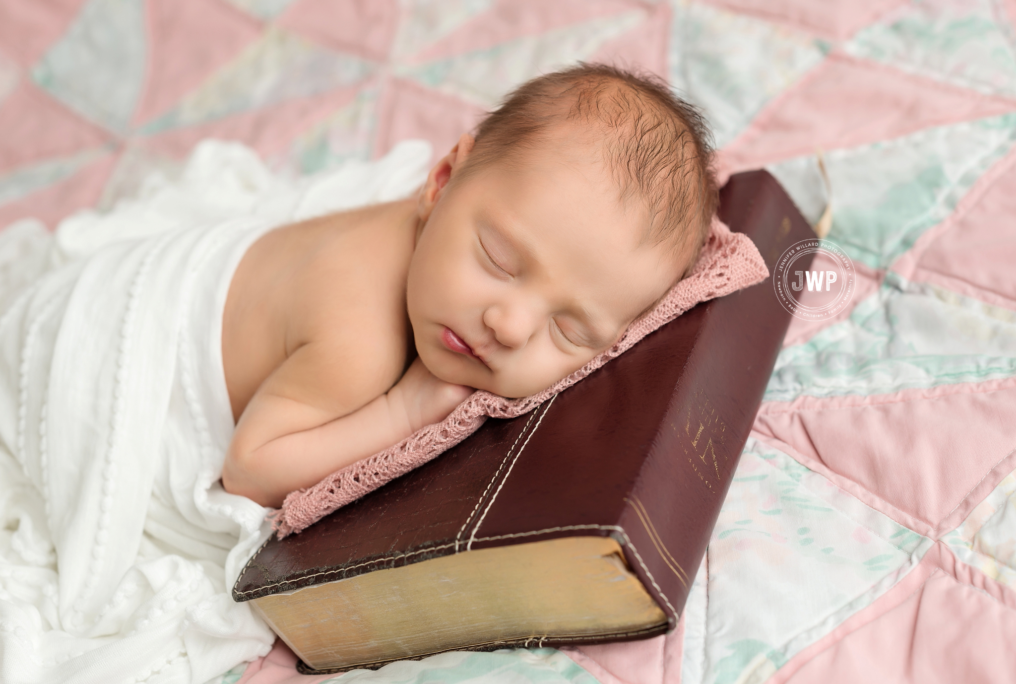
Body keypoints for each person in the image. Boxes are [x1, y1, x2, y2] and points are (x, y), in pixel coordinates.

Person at [219, 62, 720, 509]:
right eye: (499, 261)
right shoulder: (357, 334)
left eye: (569, 331)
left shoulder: (455, 231)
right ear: (440, 182)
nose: (510, 327)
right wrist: (403, 413)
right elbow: (247, 470)